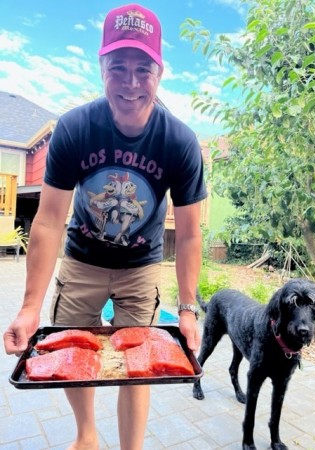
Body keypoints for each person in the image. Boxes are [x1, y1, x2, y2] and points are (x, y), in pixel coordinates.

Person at [3, 3, 207, 450]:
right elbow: (50, 219)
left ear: (160, 71)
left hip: (140, 266)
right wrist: (29, 307)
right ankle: (87, 434)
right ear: (100, 67)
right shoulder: (75, 128)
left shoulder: (180, 141)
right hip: (82, 259)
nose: (131, 83)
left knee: (139, 364)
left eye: (143, 69)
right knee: (73, 352)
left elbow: (190, 233)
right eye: (118, 67)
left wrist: (189, 309)